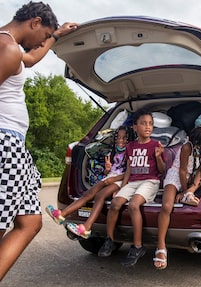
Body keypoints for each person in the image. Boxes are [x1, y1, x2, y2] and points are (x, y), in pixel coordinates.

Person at [0, 2, 77, 281]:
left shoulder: (11, 49)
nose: (42, 42)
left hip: (14, 146)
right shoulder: (6, 47)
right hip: (4, 145)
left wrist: (56, 35)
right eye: (43, 35)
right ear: (34, 22)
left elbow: (30, 59)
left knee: (30, 221)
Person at [98, 109, 166, 267]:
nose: (147, 127)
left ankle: (137, 246)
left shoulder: (156, 145)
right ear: (135, 127)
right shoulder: (130, 146)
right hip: (132, 181)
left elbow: (162, 171)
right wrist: (121, 187)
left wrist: (158, 157)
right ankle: (110, 240)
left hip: (150, 181)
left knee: (134, 205)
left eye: (150, 124)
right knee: (115, 204)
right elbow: (128, 169)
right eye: (143, 123)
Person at [153, 124, 201, 270]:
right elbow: (182, 171)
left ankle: (191, 191)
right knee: (166, 206)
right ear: (197, 143)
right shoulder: (187, 147)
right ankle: (161, 246)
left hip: (191, 176)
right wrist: (182, 192)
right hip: (176, 175)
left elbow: (199, 167)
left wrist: (187, 190)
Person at [45, 126, 132, 238]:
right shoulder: (114, 152)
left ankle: (86, 227)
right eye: (118, 138)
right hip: (110, 177)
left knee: (100, 196)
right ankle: (62, 214)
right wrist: (107, 169)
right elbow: (108, 172)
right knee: (87, 194)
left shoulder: (130, 152)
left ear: (129, 139)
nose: (121, 141)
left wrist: (114, 180)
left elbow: (129, 173)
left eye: (124, 138)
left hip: (120, 180)